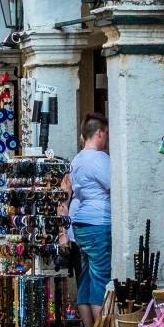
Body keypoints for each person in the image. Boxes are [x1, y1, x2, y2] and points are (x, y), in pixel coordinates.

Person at [66, 114, 113, 306]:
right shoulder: (99, 159)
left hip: (80, 224)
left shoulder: (76, 160)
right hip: (98, 223)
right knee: (100, 278)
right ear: (100, 133)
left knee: (85, 278)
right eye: (107, 134)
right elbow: (113, 185)